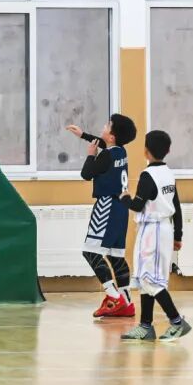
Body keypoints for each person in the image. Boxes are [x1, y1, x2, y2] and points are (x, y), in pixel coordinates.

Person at [119, 130, 191, 342]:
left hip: (153, 231)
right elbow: (176, 206)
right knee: (145, 279)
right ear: (168, 151)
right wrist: (178, 235)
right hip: (164, 229)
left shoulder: (147, 175)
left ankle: (177, 321)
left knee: (150, 280)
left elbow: (137, 205)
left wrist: (125, 198)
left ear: (145, 151)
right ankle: (145, 326)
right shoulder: (168, 173)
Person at [66, 115, 138, 319]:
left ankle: (114, 296)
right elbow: (104, 144)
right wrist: (83, 135)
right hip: (122, 207)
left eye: (107, 125)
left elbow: (86, 174)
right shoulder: (120, 151)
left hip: (106, 205)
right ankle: (127, 303)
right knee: (116, 256)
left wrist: (91, 155)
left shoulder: (105, 155)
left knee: (90, 252)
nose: (103, 127)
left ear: (112, 136)